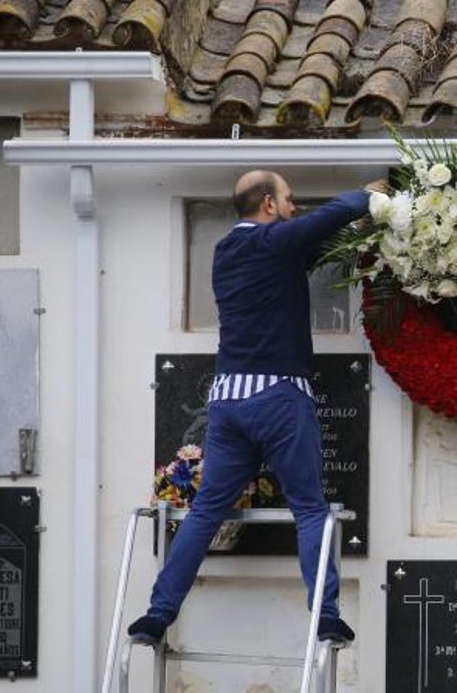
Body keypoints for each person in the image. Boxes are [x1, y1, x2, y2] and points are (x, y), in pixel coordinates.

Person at [128, 170, 384, 646]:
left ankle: (156, 615)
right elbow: (332, 214)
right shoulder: (274, 242)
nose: (293, 209)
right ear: (268, 205)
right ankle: (325, 618)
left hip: (227, 400)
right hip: (279, 396)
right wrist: (368, 197)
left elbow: (305, 249)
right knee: (310, 510)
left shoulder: (225, 251)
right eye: (289, 200)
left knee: (205, 512)